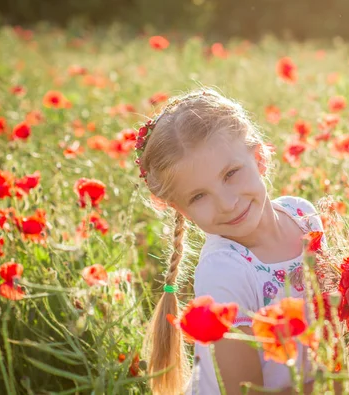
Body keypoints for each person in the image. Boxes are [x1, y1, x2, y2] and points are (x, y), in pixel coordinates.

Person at [136, 88, 327, 395]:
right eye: (199, 196)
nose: (226, 203)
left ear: (259, 157)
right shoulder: (225, 270)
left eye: (231, 173)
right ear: (179, 208)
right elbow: (245, 391)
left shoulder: (302, 214)